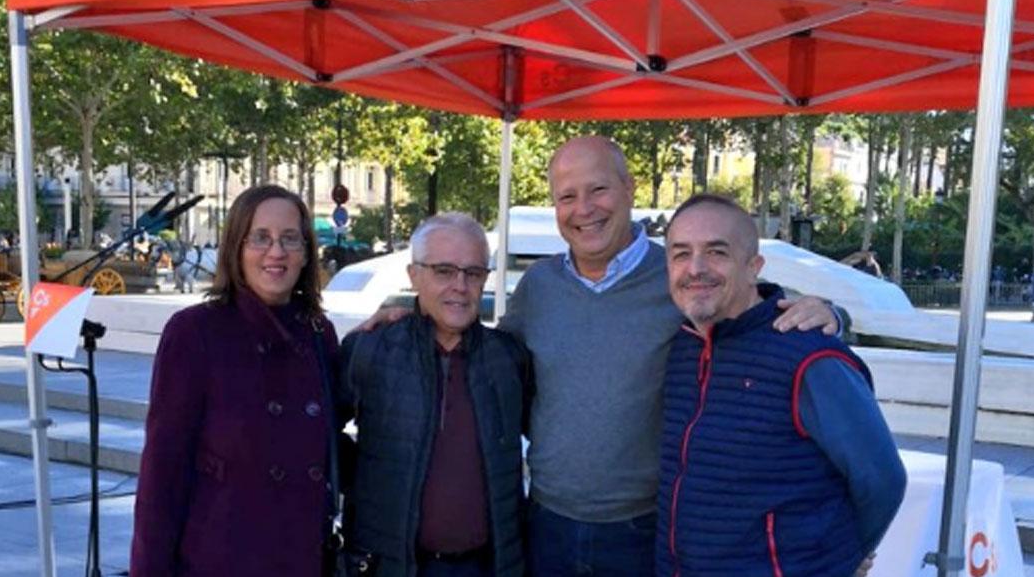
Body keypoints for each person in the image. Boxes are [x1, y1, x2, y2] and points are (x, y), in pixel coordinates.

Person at [362, 136, 842, 576]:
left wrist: (832, 313)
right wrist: (412, 317)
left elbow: (754, 312)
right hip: (544, 524)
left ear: (629, 188)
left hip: (642, 529)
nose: (584, 209)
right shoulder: (539, 287)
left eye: (598, 190)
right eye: (567, 197)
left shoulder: (678, 278)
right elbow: (483, 352)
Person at [656, 194, 906, 577]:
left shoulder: (808, 356)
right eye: (680, 253)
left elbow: (883, 479)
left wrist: (842, 559)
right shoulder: (682, 346)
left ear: (753, 266)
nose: (696, 268)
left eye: (716, 252)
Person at [130, 185, 339, 577]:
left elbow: (331, 441)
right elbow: (163, 472)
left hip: (303, 558)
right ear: (236, 248)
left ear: (307, 252)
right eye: (260, 237)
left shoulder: (318, 332)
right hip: (222, 558)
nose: (276, 252)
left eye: (290, 238)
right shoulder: (195, 332)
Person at [336, 213, 531, 577]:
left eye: (473, 273)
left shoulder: (509, 358)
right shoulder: (369, 351)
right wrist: (368, 478)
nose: (460, 285)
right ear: (413, 276)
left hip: (487, 566)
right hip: (391, 566)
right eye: (443, 270)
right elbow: (320, 436)